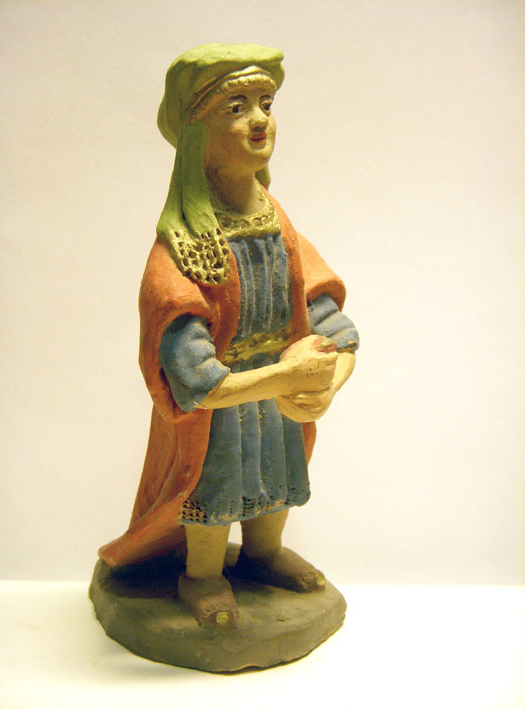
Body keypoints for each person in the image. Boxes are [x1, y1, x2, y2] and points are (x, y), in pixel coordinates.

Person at [99, 44, 359, 629]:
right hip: (221, 407)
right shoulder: (181, 249)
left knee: (279, 476)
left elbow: (327, 318)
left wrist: (327, 383)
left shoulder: (277, 222)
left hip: (280, 396)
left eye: (265, 103)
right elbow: (193, 377)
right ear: (197, 133)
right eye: (235, 108)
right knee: (215, 486)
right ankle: (202, 576)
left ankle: (264, 554)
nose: (259, 120)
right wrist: (287, 378)